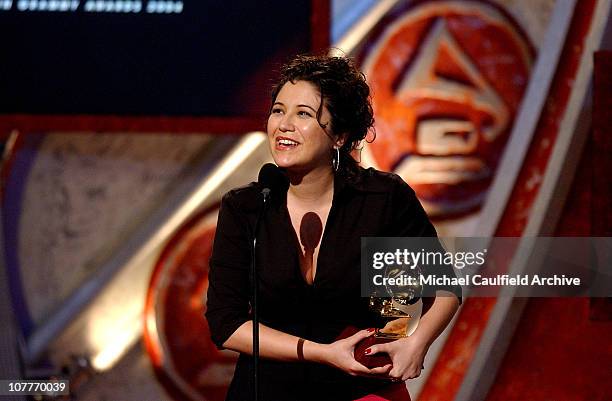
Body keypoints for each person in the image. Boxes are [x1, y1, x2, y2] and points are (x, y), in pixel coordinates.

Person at [205, 53, 461, 401]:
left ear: (339, 135)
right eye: (278, 110)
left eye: (304, 114)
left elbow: (443, 286)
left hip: (362, 388)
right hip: (267, 390)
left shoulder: (381, 199)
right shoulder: (246, 208)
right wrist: (322, 352)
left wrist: (417, 343)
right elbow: (226, 323)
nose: (284, 124)